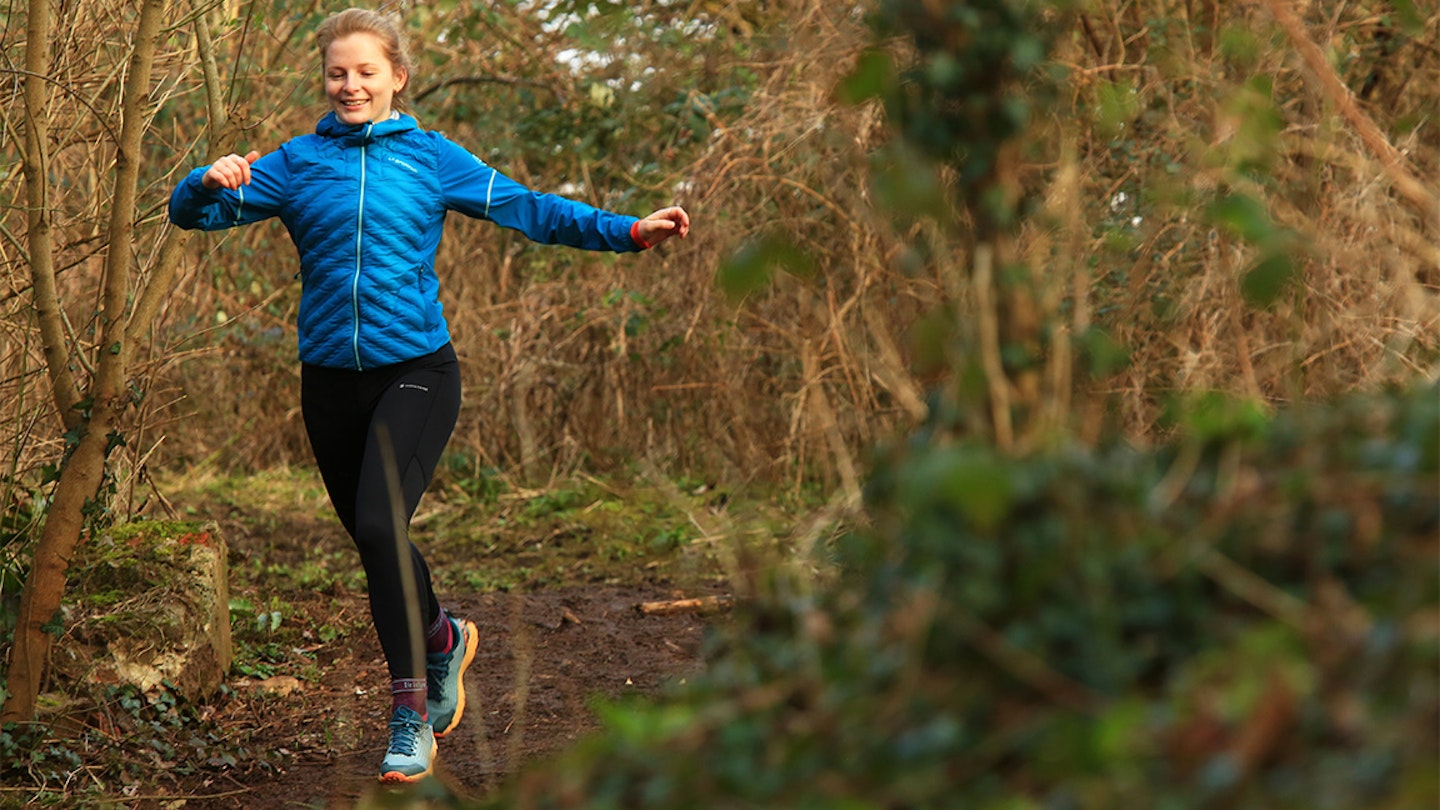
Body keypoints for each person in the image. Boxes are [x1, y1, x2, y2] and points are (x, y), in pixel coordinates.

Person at [167, 7, 690, 784]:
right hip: (328, 384)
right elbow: (191, 215)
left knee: (380, 522)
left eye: (366, 72)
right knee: (380, 543)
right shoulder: (295, 162)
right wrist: (206, 178)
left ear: (397, 77)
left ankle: (410, 714)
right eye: (338, 73)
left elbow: (532, 210)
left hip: (417, 370)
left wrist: (628, 231)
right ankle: (442, 637)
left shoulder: (433, 159)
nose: (350, 85)